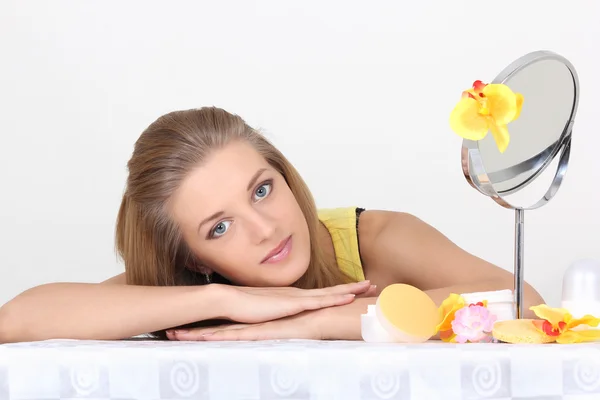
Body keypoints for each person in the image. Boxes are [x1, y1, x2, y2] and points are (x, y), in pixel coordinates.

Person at [0, 107, 544, 344]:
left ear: (286, 176)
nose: (264, 228)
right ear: (193, 260)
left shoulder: (376, 237)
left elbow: (521, 301)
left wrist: (314, 321)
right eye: (219, 228)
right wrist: (229, 303)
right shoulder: (202, 284)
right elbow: (15, 321)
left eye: (262, 190)